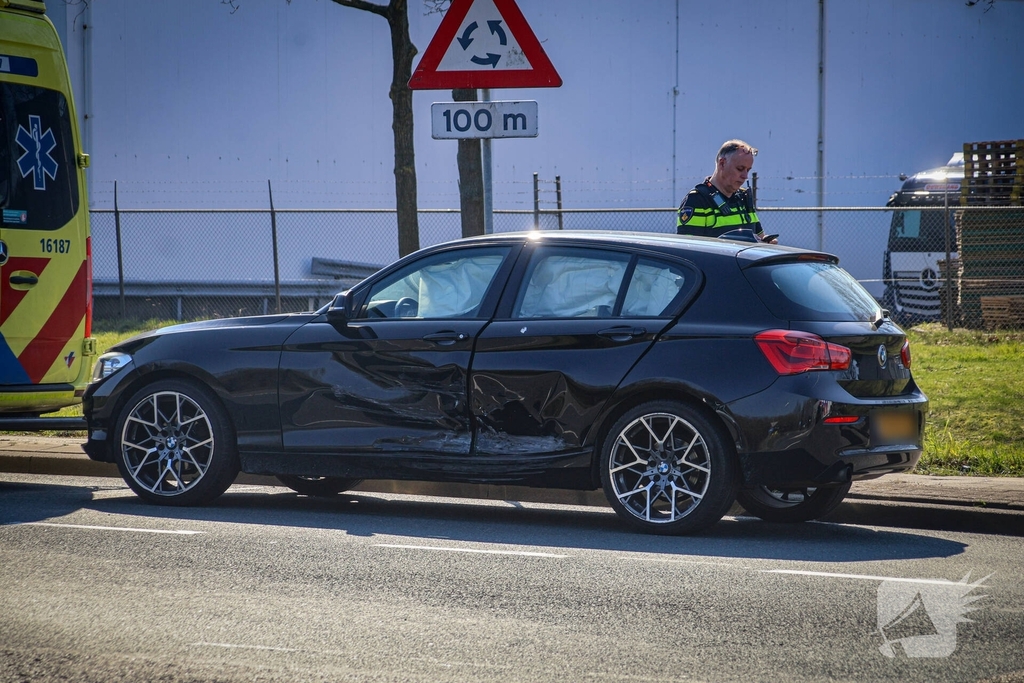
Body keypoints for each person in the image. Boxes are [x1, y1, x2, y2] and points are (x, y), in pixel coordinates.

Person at [677, 139, 776, 243]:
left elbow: (760, 236)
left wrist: (767, 242)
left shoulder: (743, 197)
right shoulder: (697, 200)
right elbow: (688, 249)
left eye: (748, 170)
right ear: (722, 163)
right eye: (740, 168)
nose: (745, 176)